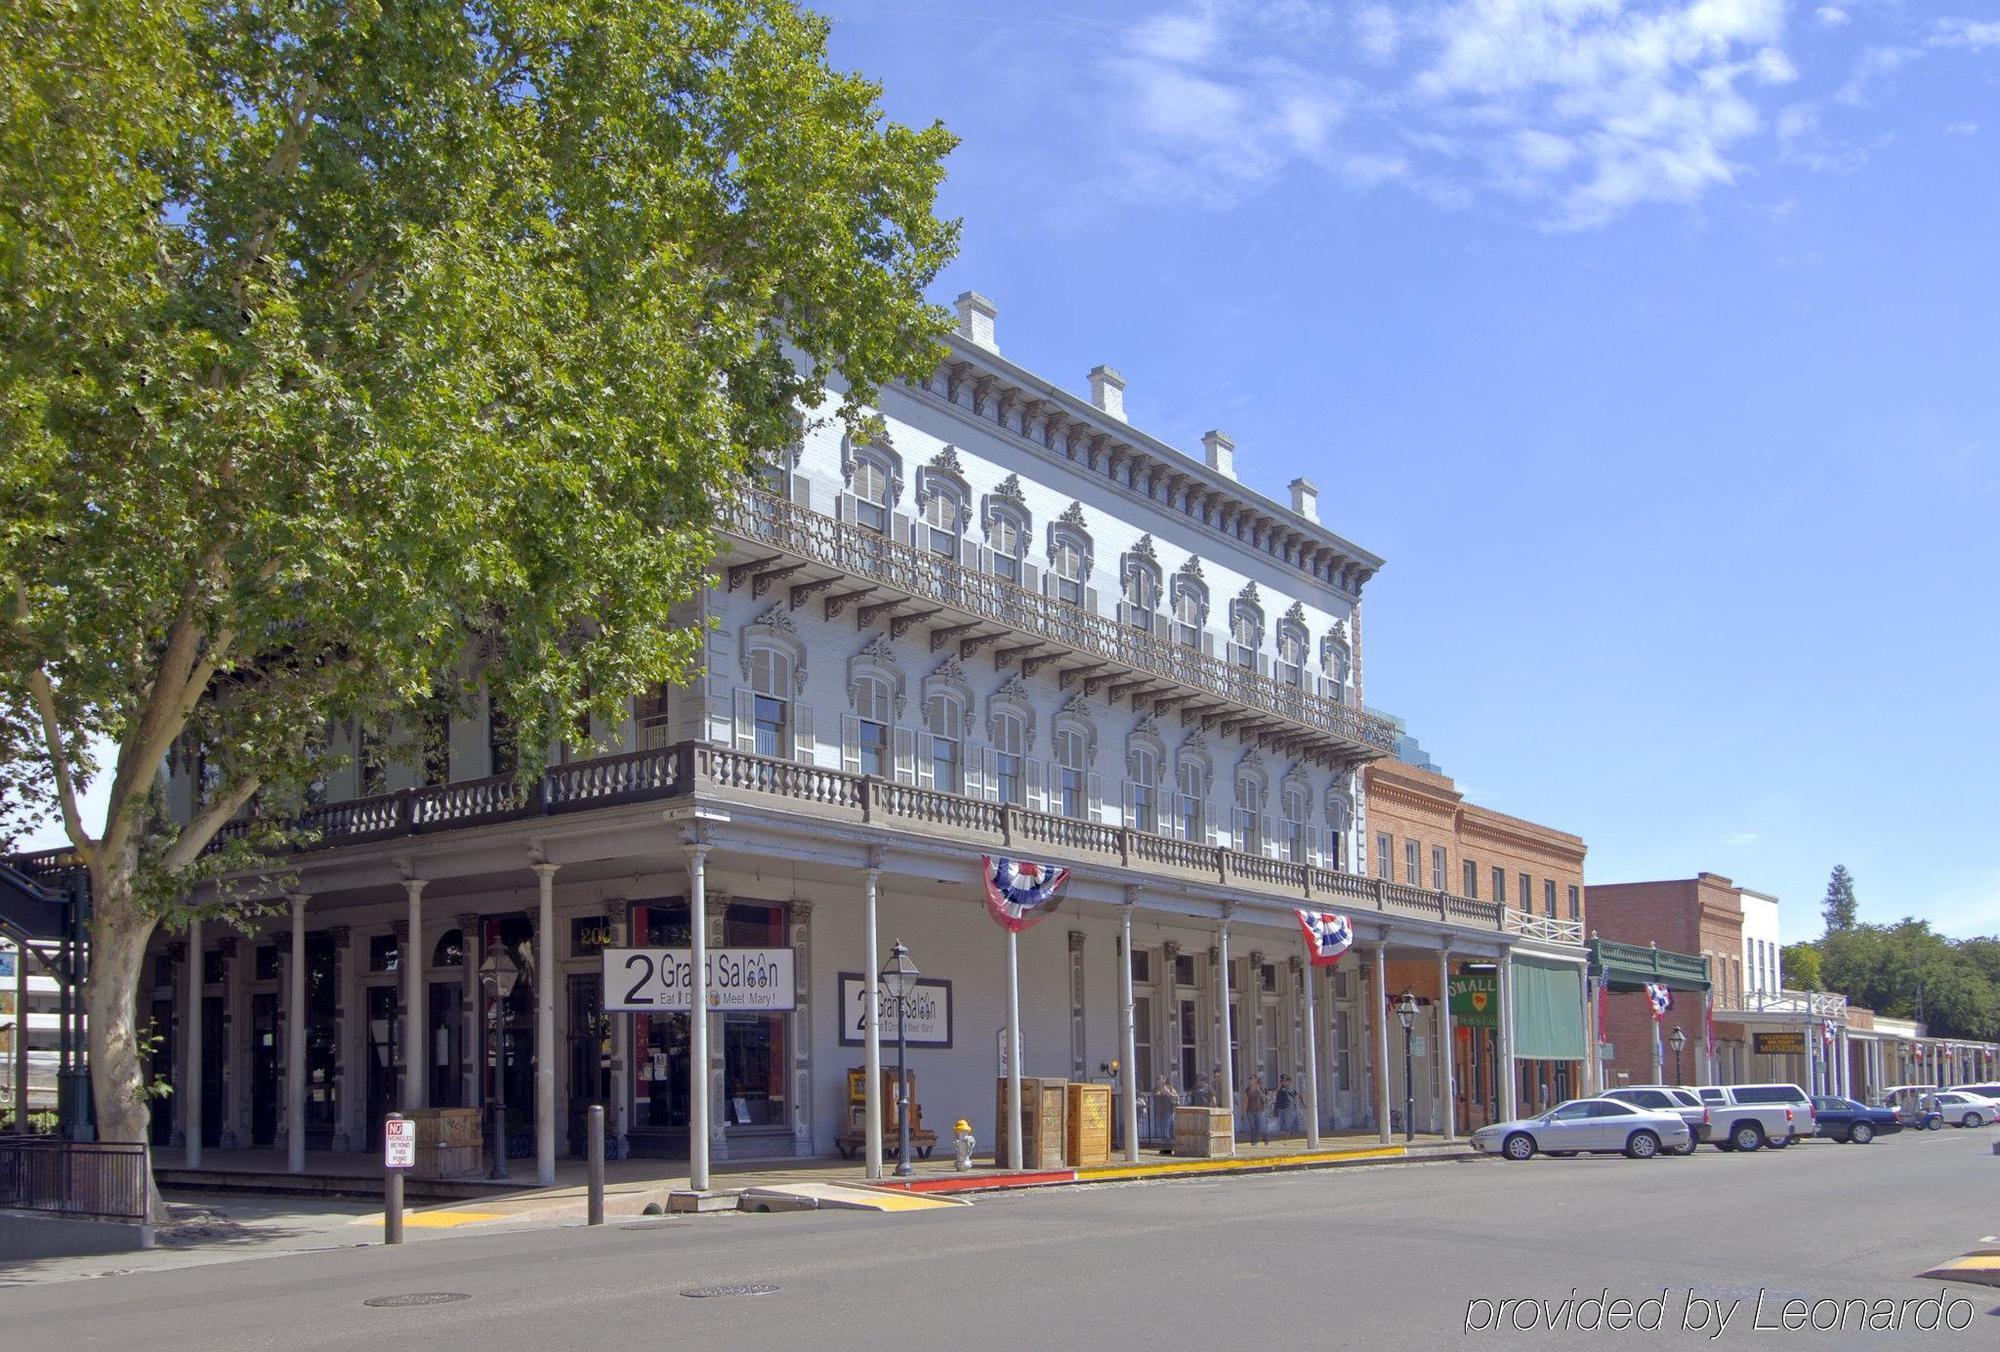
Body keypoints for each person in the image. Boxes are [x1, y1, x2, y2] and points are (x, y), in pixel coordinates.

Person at [1242, 1073, 1269, 1145]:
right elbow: (1246, 1100)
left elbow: (1265, 1099)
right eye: (1249, 1078)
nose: (1250, 1080)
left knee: (1260, 1127)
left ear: (1256, 1080)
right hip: (1250, 1111)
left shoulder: (1261, 1088)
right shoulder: (1248, 1089)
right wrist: (1243, 1111)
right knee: (1253, 1127)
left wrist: (1259, 1090)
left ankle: (1265, 1138)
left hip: (1260, 1110)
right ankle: (1254, 1142)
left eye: (1252, 1078)